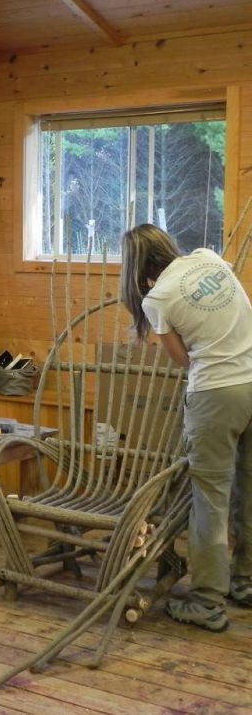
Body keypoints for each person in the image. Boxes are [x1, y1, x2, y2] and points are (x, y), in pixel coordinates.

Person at [120, 222, 252, 633]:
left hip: (218, 394)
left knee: (208, 502)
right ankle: (245, 583)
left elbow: (182, 359)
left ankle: (207, 603)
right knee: (248, 488)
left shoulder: (157, 297)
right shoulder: (208, 258)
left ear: (136, 267)